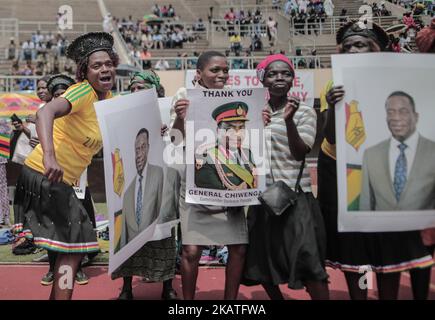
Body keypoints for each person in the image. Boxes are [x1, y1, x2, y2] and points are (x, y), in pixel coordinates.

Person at [318, 20, 433, 300]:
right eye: (348, 47)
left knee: (390, 240)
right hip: (342, 172)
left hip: (389, 167)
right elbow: (332, 139)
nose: (354, 50)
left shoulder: (397, 80)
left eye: (361, 44)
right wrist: (333, 107)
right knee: (353, 246)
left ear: (378, 48)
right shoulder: (334, 84)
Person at [13, 32, 118, 300]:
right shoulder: (83, 91)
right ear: (85, 71)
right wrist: (49, 155)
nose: (104, 69)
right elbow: (44, 112)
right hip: (43, 172)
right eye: (96, 65)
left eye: (108, 63)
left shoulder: (107, 100)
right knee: (75, 248)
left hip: (59, 181)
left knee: (69, 251)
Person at [242, 54, 329, 300]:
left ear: (292, 79)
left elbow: (301, 152)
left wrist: (289, 122)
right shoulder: (255, 113)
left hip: (295, 198)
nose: (279, 77)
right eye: (272, 74)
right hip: (262, 198)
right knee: (261, 262)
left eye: (285, 73)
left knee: (309, 264)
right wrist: (255, 126)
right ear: (263, 80)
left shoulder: (304, 112)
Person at [170, 51, 248, 300]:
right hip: (197, 182)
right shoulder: (184, 96)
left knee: (237, 248)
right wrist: (180, 120)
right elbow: (174, 142)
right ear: (199, 73)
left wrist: (261, 121)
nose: (222, 75)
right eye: (215, 70)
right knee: (191, 251)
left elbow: (250, 141)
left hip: (230, 184)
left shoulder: (238, 96)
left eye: (225, 70)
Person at [112, 71, 179, 301]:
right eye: (132, 88)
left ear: (154, 89)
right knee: (129, 234)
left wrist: (166, 131)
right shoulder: (122, 111)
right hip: (133, 182)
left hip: (161, 180)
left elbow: (179, 139)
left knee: (164, 235)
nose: (135, 92)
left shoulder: (168, 108)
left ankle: (167, 287)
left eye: (140, 87)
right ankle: (126, 287)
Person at [38, 74, 91, 286]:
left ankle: (76, 270)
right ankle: (53, 269)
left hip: (78, 183)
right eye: (57, 95)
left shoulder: (83, 117)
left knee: (76, 226)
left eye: (64, 94)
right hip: (52, 181)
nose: (61, 97)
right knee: (53, 226)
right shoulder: (46, 121)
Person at [194, 102, 257, 190]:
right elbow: (212, 196)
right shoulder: (205, 158)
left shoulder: (248, 153)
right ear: (218, 131)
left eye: (241, 128)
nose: (237, 134)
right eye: (229, 129)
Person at [118, 128, 163, 249]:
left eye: (143, 147)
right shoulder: (127, 193)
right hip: (132, 255)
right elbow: (123, 236)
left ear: (148, 147)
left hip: (154, 248)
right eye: (137, 149)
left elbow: (162, 214)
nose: (139, 154)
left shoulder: (158, 174)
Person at [0, 118, 11, 227]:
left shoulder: (3, 121)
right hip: (1, 158)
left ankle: (5, 216)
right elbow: (10, 135)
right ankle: (4, 216)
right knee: (2, 187)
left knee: (2, 187)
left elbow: (9, 135)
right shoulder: (3, 121)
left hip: (1, 159)